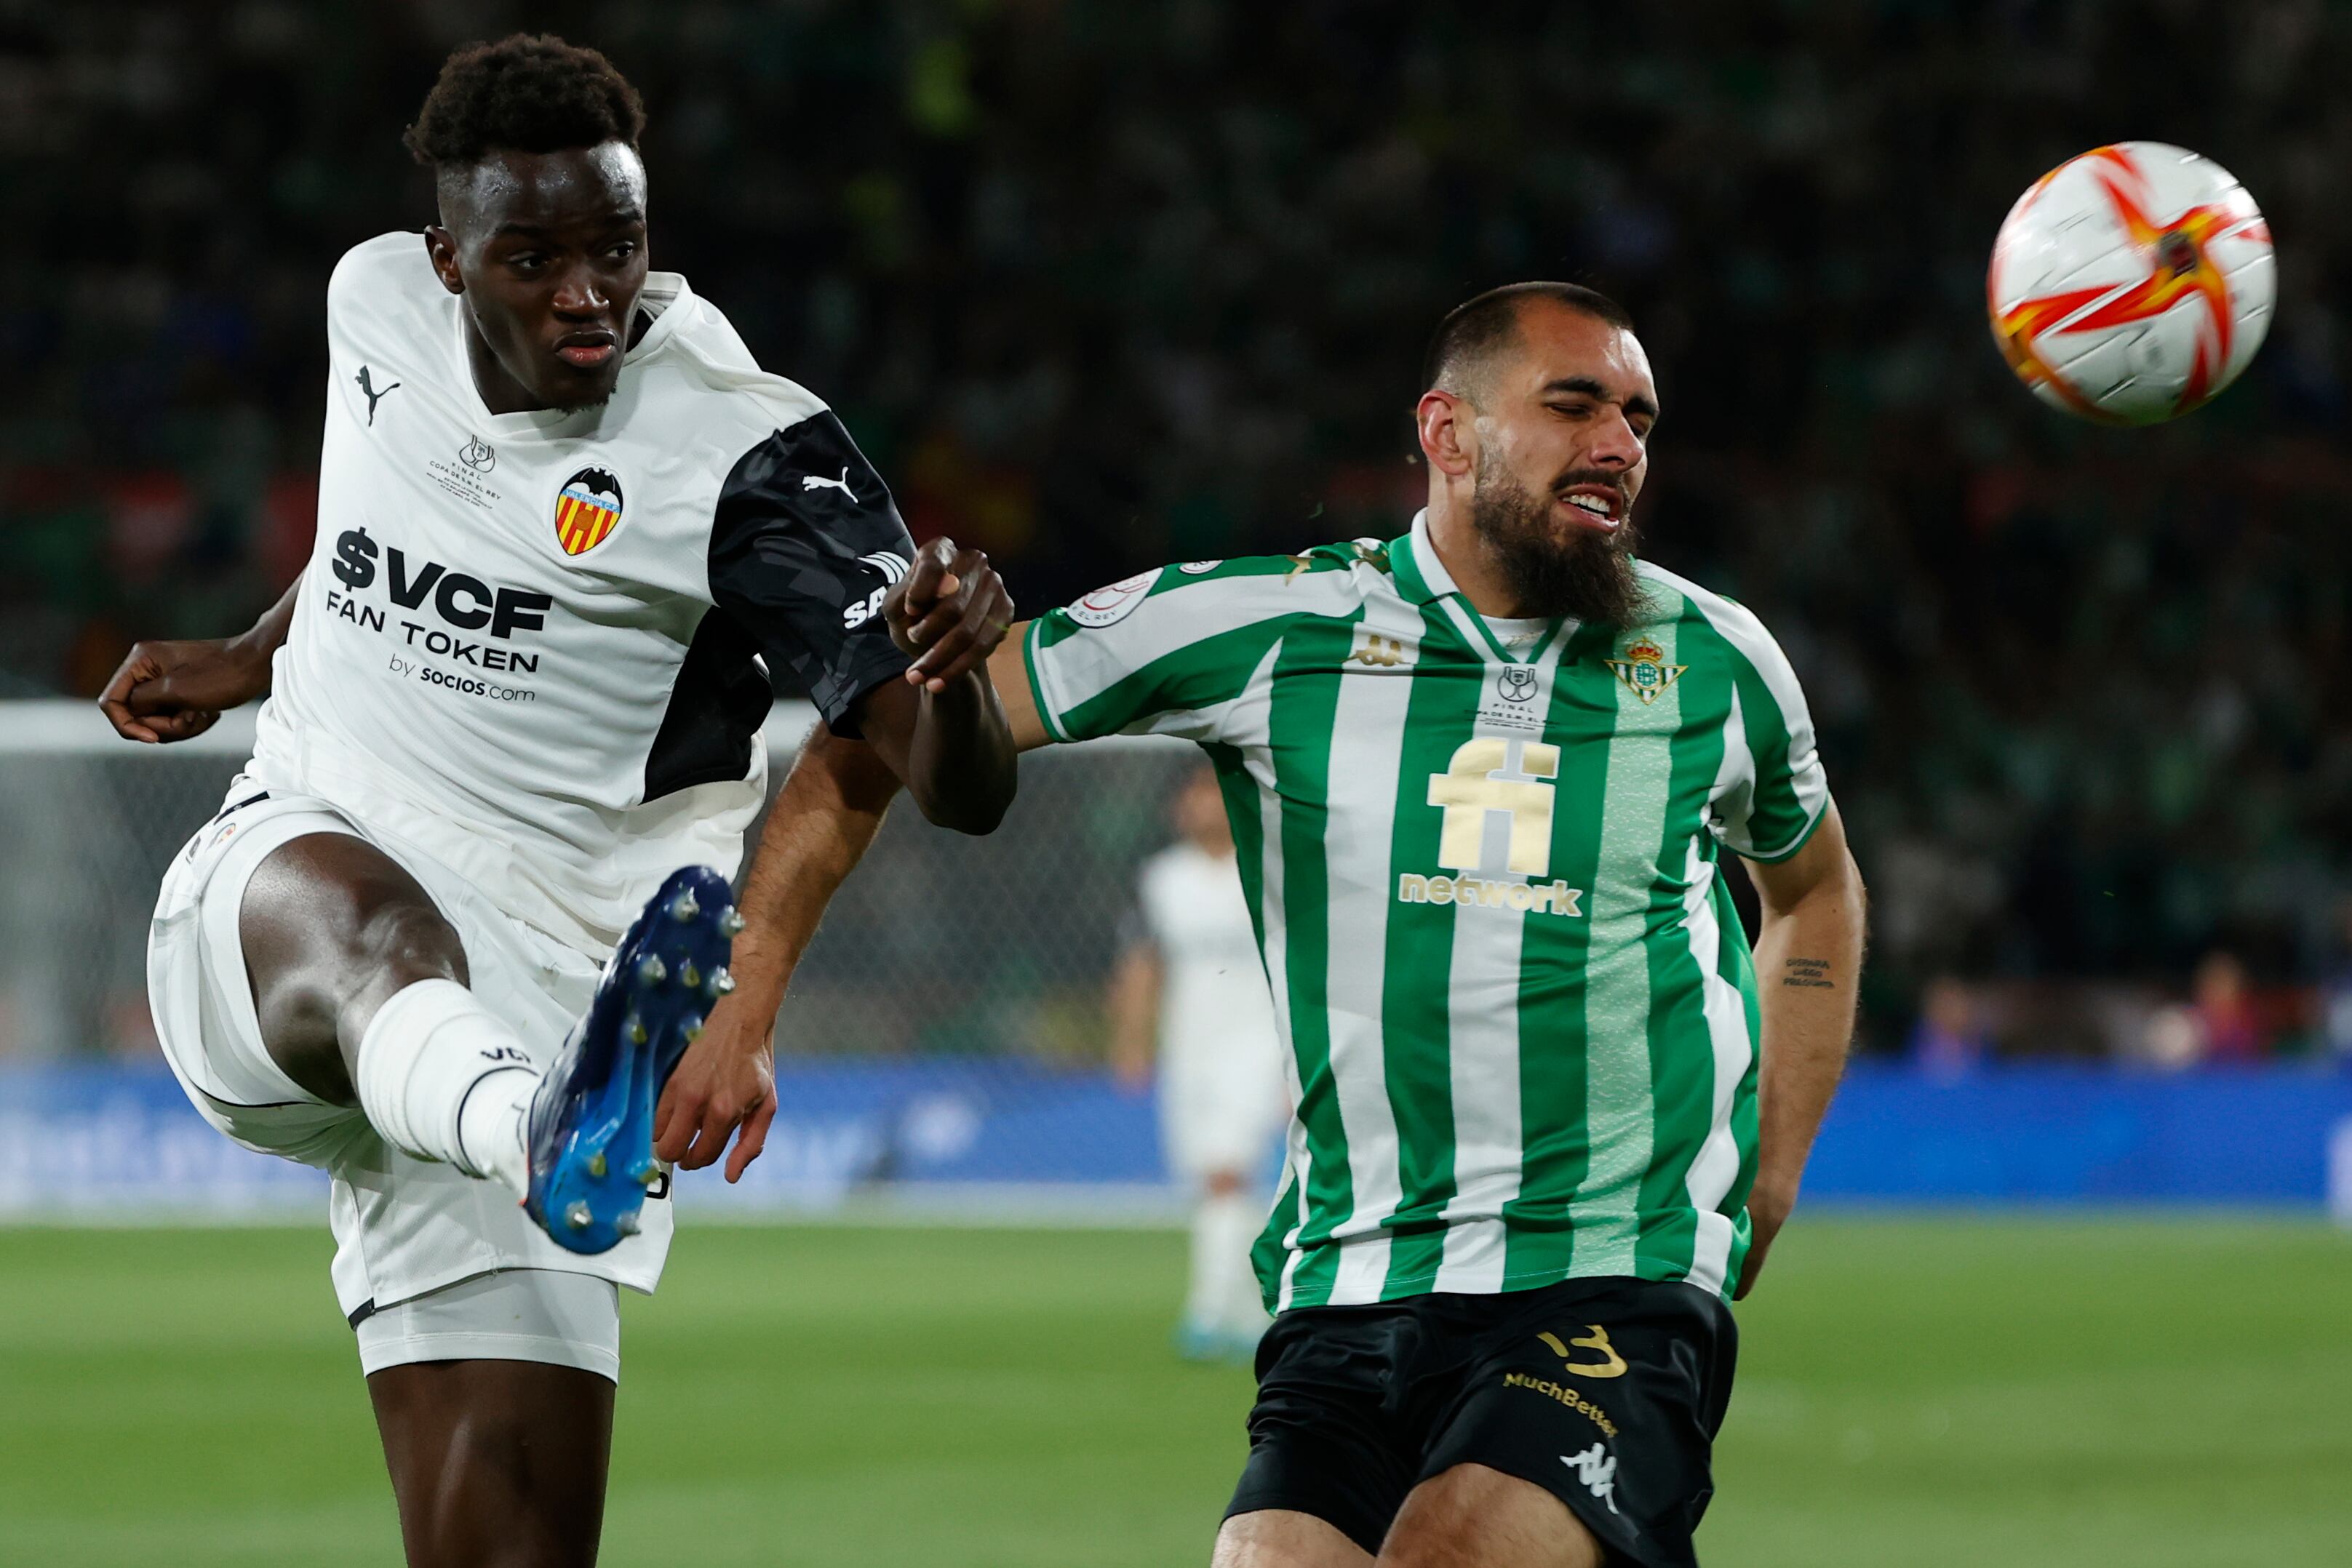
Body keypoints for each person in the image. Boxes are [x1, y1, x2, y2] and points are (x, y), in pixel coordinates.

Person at [746, 281, 1867, 1567]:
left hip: (1606, 1276)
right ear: (1445, 434)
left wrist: (1767, 1172)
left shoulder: (1715, 661)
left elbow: (1813, 889)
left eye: (1638, 416)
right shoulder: (1267, 626)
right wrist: (751, 986)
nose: (1619, 444)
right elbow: (915, 735)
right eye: (1574, 405)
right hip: (1348, 1283)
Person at [95, 35, 1016, 1568]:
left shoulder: (751, 455)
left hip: (558, 999)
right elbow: (380, 510)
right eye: (535, 257)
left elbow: (954, 787)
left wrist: (959, 673)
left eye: (617, 245)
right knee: (370, 923)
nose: (588, 289)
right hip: (302, 883)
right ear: (448, 258)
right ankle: (523, 1121)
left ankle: (528, 1118)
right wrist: (257, 656)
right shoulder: (367, 299)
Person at [1109, 764, 1290, 1360]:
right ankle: (1243, 1311)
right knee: (1210, 1183)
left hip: (1259, 1041)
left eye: (1212, 794)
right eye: (1192, 795)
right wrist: (1131, 1042)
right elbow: (1141, 963)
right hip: (1188, 1047)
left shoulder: (1270, 868)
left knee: (1225, 1169)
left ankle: (1210, 1311)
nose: (1202, 806)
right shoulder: (1161, 879)